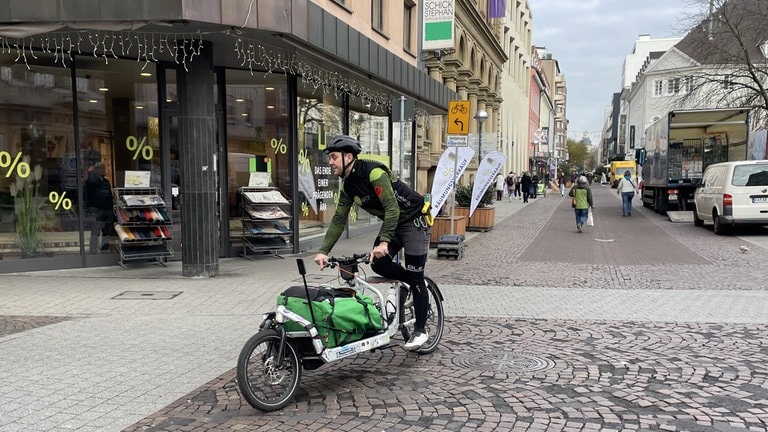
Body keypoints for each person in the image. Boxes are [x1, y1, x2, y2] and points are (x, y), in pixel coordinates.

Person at [313, 135, 431, 351]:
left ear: (348, 157)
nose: (330, 162)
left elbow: (392, 208)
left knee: (416, 275)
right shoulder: (348, 185)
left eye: (333, 157)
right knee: (378, 264)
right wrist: (323, 251)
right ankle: (412, 282)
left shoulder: (374, 173)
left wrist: (384, 242)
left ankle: (421, 330)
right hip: (393, 223)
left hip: (413, 221)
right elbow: (339, 219)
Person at [84, 162, 114, 254]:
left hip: (107, 210)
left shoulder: (106, 181)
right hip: (97, 211)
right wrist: (90, 208)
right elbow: (87, 196)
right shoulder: (91, 181)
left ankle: (105, 250)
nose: (103, 170)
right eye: (100, 168)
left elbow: (109, 196)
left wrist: (111, 209)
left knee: (107, 233)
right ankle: (93, 252)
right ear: (96, 170)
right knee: (95, 232)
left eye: (104, 168)